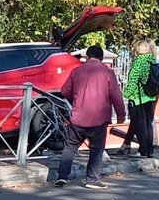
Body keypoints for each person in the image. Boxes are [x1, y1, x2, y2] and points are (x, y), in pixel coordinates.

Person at [54, 44, 126, 189]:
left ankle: (62, 177)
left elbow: (65, 91)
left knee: (70, 147)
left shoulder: (77, 71)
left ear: (87, 57)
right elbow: (116, 96)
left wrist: (76, 96)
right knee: (96, 149)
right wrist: (121, 114)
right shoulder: (107, 73)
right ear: (101, 58)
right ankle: (92, 180)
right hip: (99, 119)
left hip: (78, 117)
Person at [116, 38, 159, 156]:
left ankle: (143, 150)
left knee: (140, 125)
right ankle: (149, 151)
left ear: (136, 50)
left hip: (139, 98)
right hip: (151, 97)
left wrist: (124, 94)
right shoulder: (152, 61)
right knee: (149, 124)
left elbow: (133, 82)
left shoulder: (138, 63)